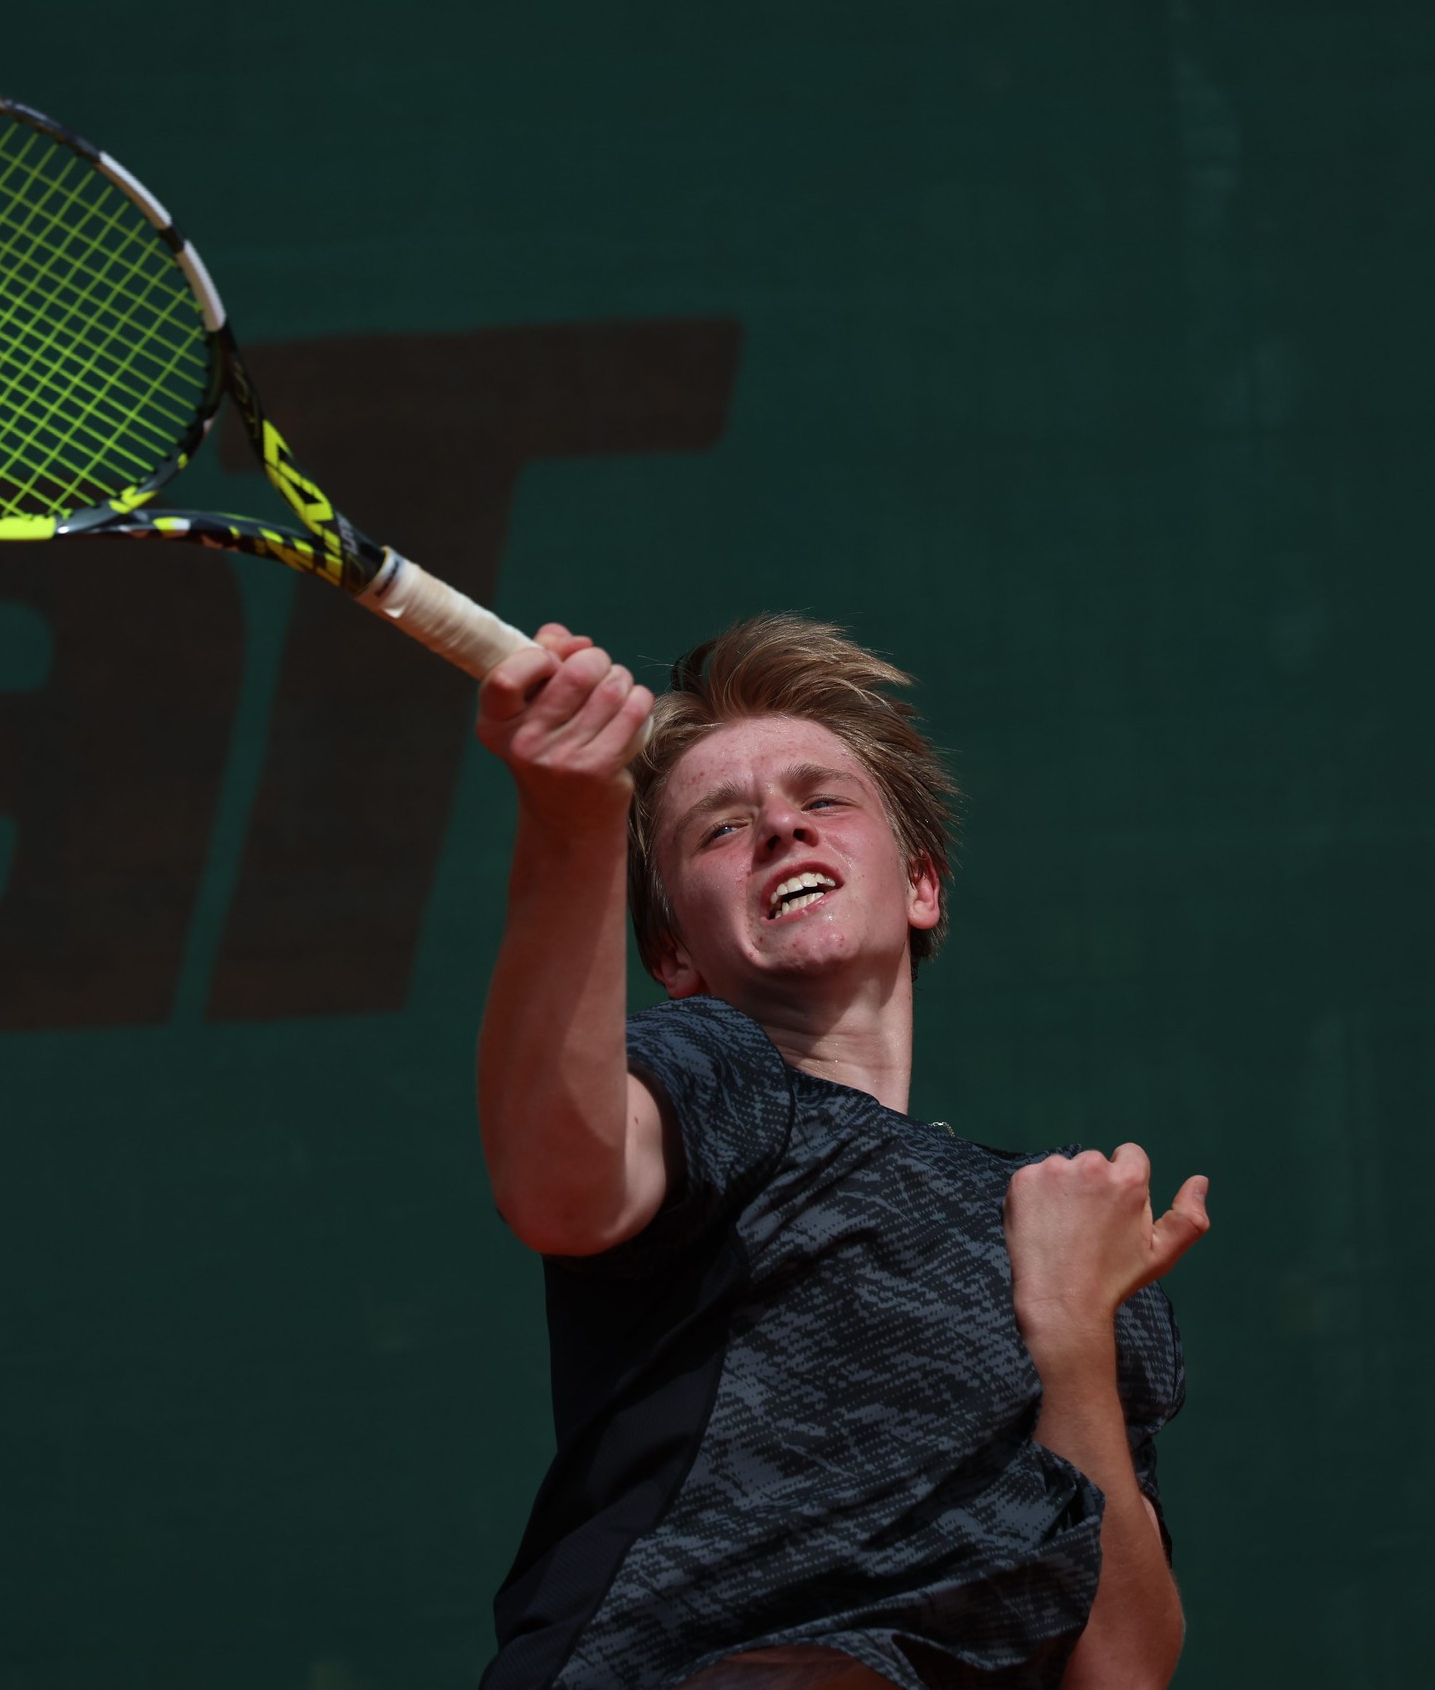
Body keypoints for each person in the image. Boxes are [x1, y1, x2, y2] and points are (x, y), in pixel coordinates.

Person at [469, 614, 1211, 1690]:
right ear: (673, 954)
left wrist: (1071, 1331)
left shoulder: (1066, 1228)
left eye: (822, 801)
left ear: (921, 884)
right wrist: (573, 824)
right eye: (720, 829)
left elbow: (1124, 1670)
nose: (780, 826)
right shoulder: (719, 1071)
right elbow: (558, 1188)